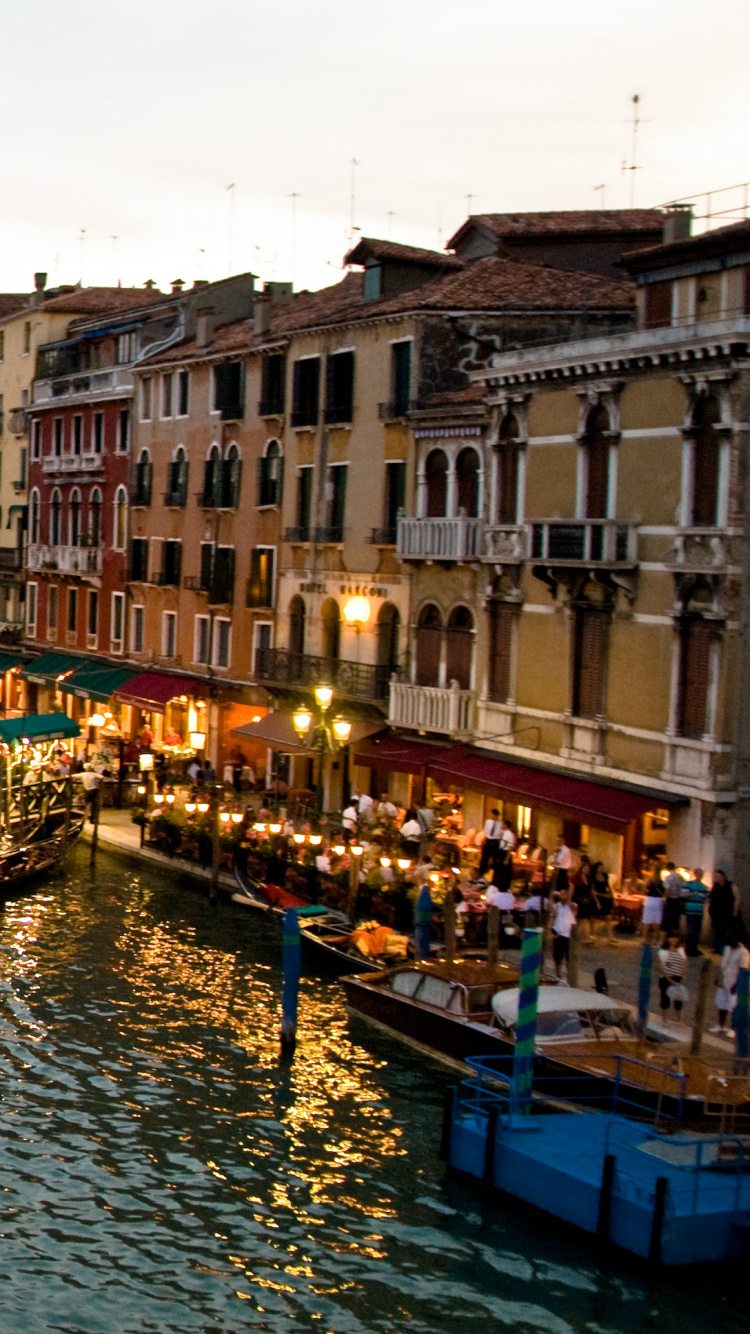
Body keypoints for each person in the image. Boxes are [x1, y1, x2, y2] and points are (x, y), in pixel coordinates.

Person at [711, 928, 750, 1036]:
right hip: (724, 980)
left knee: (734, 1006)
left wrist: (737, 984)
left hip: (735, 982)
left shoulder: (744, 952)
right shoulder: (727, 948)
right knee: (721, 1003)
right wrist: (718, 976)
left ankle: (734, 1028)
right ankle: (721, 1025)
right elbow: (723, 963)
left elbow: (743, 970)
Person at [657, 932, 688, 1020]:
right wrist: (668, 978)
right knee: (665, 998)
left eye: (676, 938)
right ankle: (664, 1018)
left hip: (678, 976)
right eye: (673, 937)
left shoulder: (681, 950)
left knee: (678, 999)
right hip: (666, 977)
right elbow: (661, 966)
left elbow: (684, 964)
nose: (675, 939)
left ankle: (679, 1018)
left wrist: (683, 976)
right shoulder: (663, 951)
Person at [709, 870, 740, 955]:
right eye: (716, 877)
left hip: (727, 913)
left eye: (718, 876)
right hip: (715, 913)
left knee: (725, 932)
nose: (717, 878)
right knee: (717, 931)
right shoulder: (716, 886)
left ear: (723, 876)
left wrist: (735, 910)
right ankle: (717, 948)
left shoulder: (731, 885)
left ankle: (724, 949)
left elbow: (737, 897)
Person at [552, 887, 577, 980]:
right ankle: (557, 975)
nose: (562, 896)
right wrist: (552, 896)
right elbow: (551, 910)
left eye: (564, 894)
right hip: (558, 933)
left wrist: (570, 892)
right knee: (557, 957)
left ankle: (570, 976)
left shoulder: (572, 905)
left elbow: (573, 907)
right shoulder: (557, 906)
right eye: (561, 894)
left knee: (569, 957)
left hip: (568, 935)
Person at [683, 868, 709, 957]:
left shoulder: (704, 887)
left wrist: (704, 898)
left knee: (697, 930)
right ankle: (688, 948)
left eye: (701, 874)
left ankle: (694, 948)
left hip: (699, 910)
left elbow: (707, 897)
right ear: (695, 874)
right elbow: (683, 894)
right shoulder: (688, 884)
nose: (700, 876)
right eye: (698, 874)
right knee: (691, 929)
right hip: (690, 910)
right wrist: (693, 894)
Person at [571, 856, 595, 942]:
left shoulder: (588, 879)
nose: (587, 870)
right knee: (579, 920)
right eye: (586, 868)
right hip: (578, 900)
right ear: (582, 869)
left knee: (584, 919)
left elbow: (591, 890)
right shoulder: (576, 878)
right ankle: (578, 936)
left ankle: (585, 936)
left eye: (588, 869)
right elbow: (572, 890)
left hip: (586, 901)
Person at [591, 862, 615, 941]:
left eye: (602, 867)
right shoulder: (593, 877)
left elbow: (608, 886)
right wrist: (597, 900)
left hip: (605, 897)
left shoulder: (605, 875)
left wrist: (611, 894)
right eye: (599, 868)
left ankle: (610, 936)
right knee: (593, 917)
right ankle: (592, 933)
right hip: (597, 897)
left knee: (608, 916)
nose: (601, 869)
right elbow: (593, 890)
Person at [661, 862, 685, 937]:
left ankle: (664, 941)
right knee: (675, 921)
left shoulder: (669, 878)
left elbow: (667, 889)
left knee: (666, 921)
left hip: (670, 900)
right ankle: (674, 939)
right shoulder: (680, 877)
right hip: (678, 900)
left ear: (667, 868)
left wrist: (665, 898)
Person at [641, 870, 665, 944]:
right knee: (657, 921)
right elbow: (664, 892)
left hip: (649, 900)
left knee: (647, 921)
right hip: (658, 901)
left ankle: (644, 938)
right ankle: (655, 939)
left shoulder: (649, 881)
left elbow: (644, 890)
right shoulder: (662, 882)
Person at [479, 809, 503, 876]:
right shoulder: (488, 822)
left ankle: (494, 873)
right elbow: (486, 831)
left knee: (495, 859)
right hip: (488, 840)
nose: (491, 816)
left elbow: (502, 834)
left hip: (496, 842)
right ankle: (482, 872)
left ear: (496, 815)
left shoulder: (501, 824)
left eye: (492, 815)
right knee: (484, 857)